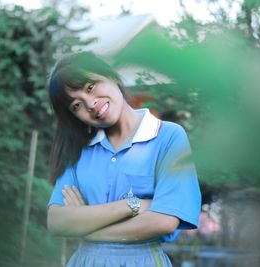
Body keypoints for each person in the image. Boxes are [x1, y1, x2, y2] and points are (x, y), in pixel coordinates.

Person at [47, 51, 201, 267]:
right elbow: (57, 221)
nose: (90, 104)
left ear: (109, 74)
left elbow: (164, 221)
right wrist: (133, 205)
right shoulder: (78, 150)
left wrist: (87, 227)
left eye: (90, 87)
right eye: (76, 105)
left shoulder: (168, 137)